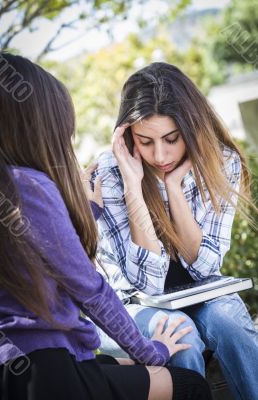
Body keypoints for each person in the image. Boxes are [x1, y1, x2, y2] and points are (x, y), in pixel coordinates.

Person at [0, 53, 213, 400]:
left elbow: (41, 255)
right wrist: (150, 352)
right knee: (189, 386)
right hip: (46, 372)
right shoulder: (28, 186)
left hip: (11, 369)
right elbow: (89, 289)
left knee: (119, 371)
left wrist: (89, 212)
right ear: (33, 123)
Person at [92, 62, 258, 400]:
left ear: (192, 128)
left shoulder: (221, 161)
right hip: (129, 305)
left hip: (201, 294)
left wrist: (175, 188)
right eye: (145, 141)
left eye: (171, 139)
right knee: (179, 334)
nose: (160, 155)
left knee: (228, 317)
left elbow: (206, 269)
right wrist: (133, 187)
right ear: (127, 136)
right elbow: (146, 284)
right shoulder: (109, 173)